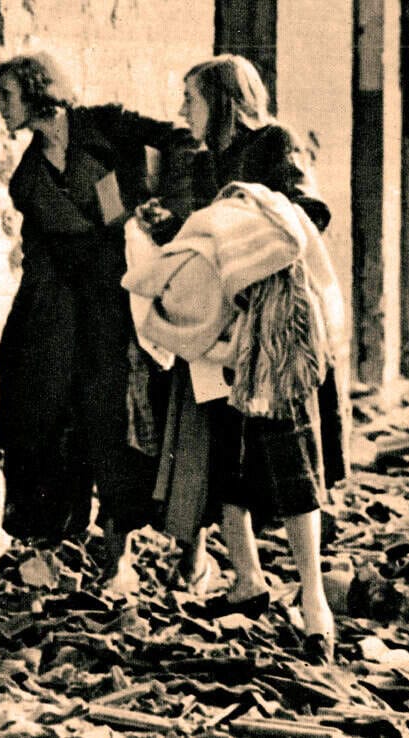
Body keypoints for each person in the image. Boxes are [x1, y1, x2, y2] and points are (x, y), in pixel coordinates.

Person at [157, 54, 348, 663]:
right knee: (224, 450)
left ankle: (315, 605)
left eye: (192, 98)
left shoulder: (275, 142)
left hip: (272, 324)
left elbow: (307, 216)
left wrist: (244, 218)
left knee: (288, 454)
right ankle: (249, 581)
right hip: (218, 327)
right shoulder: (200, 160)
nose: (184, 111)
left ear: (223, 97)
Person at [0, 53, 198, 568]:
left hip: (142, 296)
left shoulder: (106, 126)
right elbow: (40, 259)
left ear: (38, 93)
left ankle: (194, 543)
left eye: (6, 96)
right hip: (82, 311)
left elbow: (183, 141)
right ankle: (109, 550)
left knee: (161, 416)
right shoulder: (28, 178)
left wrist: (174, 211)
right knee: (93, 420)